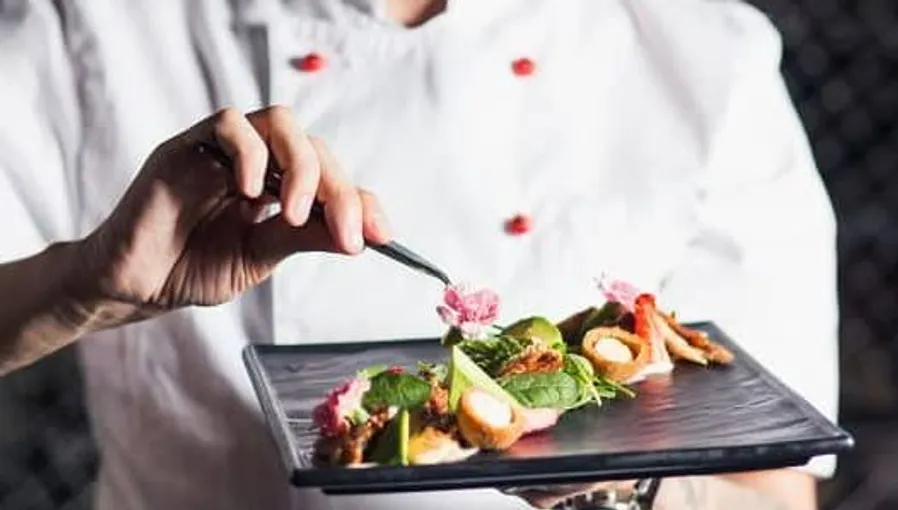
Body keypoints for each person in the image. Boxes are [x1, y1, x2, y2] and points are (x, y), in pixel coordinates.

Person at [0, 0, 839, 509]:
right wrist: (86, 288)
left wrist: (620, 488)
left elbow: (775, 491)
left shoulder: (705, 54)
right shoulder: (101, 27)